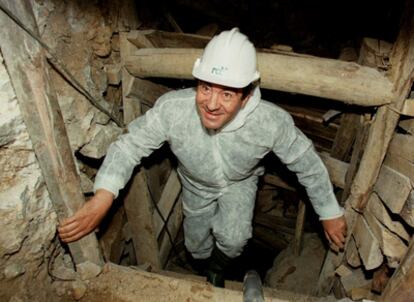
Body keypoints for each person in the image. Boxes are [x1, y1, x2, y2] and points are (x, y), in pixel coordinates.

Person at [58, 28, 347, 287]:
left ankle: (217, 273)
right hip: (194, 184)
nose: (211, 103)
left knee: (235, 239)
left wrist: (329, 212)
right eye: (206, 87)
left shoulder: (270, 122)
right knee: (196, 245)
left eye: (227, 94)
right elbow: (129, 145)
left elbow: (306, 163)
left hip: (240, 183)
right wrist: (103, 195)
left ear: (247, 96)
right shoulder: (173, 110)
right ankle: (201, 265)